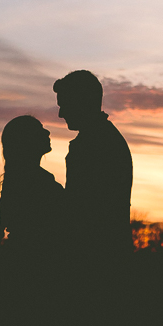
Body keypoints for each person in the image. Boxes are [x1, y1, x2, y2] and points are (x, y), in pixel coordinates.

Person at [54, 70, 132, 259]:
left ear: (81, 102)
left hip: (95, 256)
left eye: (64, 105)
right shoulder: (104, 138)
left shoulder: (93, 144)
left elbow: (80, 210)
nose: (60, 113)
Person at [0, 115, 66, 256]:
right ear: (25, 141)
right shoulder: (36, 183)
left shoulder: (21, 180)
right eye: (38, 129)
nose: (47, 132)